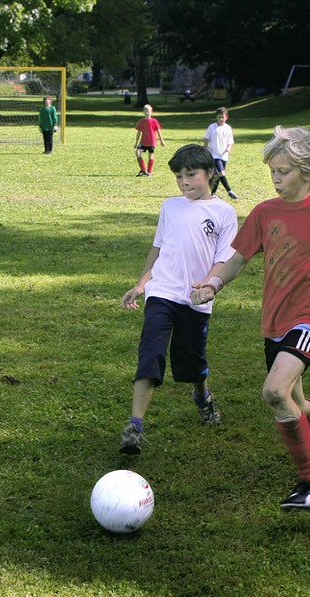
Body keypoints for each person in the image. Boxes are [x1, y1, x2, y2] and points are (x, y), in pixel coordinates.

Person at [191, 125, 310, 511]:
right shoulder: (265, 212)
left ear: (307, 169)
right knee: (295, 405)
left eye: (283, 171)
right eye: (272, 170)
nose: (276, 178)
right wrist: (213, 283)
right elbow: (237, 258)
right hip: (276, 320)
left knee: (273, 391)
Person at [118, 144, 238, 456]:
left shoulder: (224, 213)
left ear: (210, 174)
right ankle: (135, 426)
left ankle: (202, 396)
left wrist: (210, 287)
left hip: (195, 300)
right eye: (179, 176)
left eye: (191, 175)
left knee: (191, 363)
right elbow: (157, 249)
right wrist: (142, 283)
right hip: (162, 293)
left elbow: (224, 259)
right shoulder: (170, 207)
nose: (184, 182)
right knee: (151, 353)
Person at [202, 107, 237, 199]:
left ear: (226, 117)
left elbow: (230, 141)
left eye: (222, 117)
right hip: (214, 154)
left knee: (218, 175)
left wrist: (228, 148)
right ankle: (229, 190)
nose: (221, 119)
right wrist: (205, 148)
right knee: (221, 172)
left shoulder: (228, 128)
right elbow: (206, 138)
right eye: (219, 117)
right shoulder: (212, 127)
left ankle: (213, 193)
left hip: (223, 155)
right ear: (216, 117)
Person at [134, 104, 166, 177]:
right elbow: (138, 133)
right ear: (143, 111)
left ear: (151, 112)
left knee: (151, 156)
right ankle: (143, 170)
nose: (146, 112)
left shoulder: (154, 121)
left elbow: (158, 131)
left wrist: (161, 141)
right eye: (145, 110)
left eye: (148, 110)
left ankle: (149, 172)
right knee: (137, 152)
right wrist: (136, 143)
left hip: (151, 141)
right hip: (143, 141)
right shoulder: (141, 121)